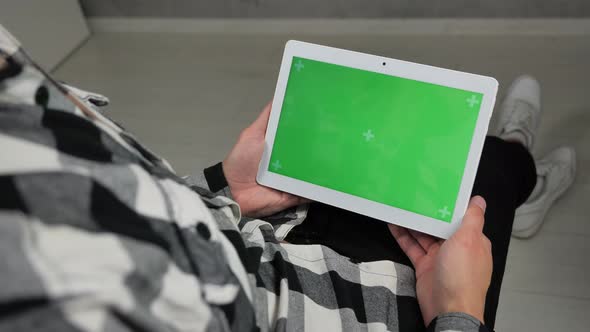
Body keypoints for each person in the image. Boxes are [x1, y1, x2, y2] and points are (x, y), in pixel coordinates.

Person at [0, 25, 575, 332]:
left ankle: (512, 165)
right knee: (480, 188)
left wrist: (225, 191)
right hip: (373, 314)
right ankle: (518, 170)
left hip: (242, 241)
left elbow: (110, 216)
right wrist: (457, 315)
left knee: (392, 172)